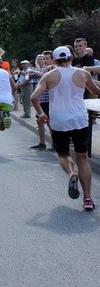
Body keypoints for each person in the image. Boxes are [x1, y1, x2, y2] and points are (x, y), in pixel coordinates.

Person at [31, 46, 100, 211]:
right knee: (82, 158)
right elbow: (96, 91)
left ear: (54, 61)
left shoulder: (49, 76)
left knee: (63, 154)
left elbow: (34, 97)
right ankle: (88, 199)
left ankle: (71, 174)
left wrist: (41, 114)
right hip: (80, 120)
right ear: (71, 57)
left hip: (59, 121)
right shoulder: (83, 74)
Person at [29, 52, 54, 150]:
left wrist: (34, 72)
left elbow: (45, 76)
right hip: (41, 99)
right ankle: (42, 143)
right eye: (44, 58)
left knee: (49, 122)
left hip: (48, 99)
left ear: (53, 59)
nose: (45, 60)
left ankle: (54, 144)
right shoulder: (44, 68)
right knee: (39, 121)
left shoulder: (52, 68)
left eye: (47, 58)